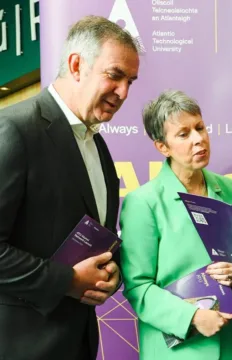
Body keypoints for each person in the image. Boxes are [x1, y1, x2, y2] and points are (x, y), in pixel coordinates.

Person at [0, 16, 139, 359]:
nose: (123, 92)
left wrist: (112, 271)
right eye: (115, 75)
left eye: (131, 82)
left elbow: (96, 235)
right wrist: (66, 280)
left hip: (79, 342)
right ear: (77, 65)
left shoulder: (99, 145)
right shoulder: (14, 129)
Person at [119, 90, 232, 359]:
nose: (199, 139)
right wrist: (192, 317)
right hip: (177, 351)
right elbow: (137, 287)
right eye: (184, 134)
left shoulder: (229, 189)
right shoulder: (142, 203)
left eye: (200, 128)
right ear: (162, 147)